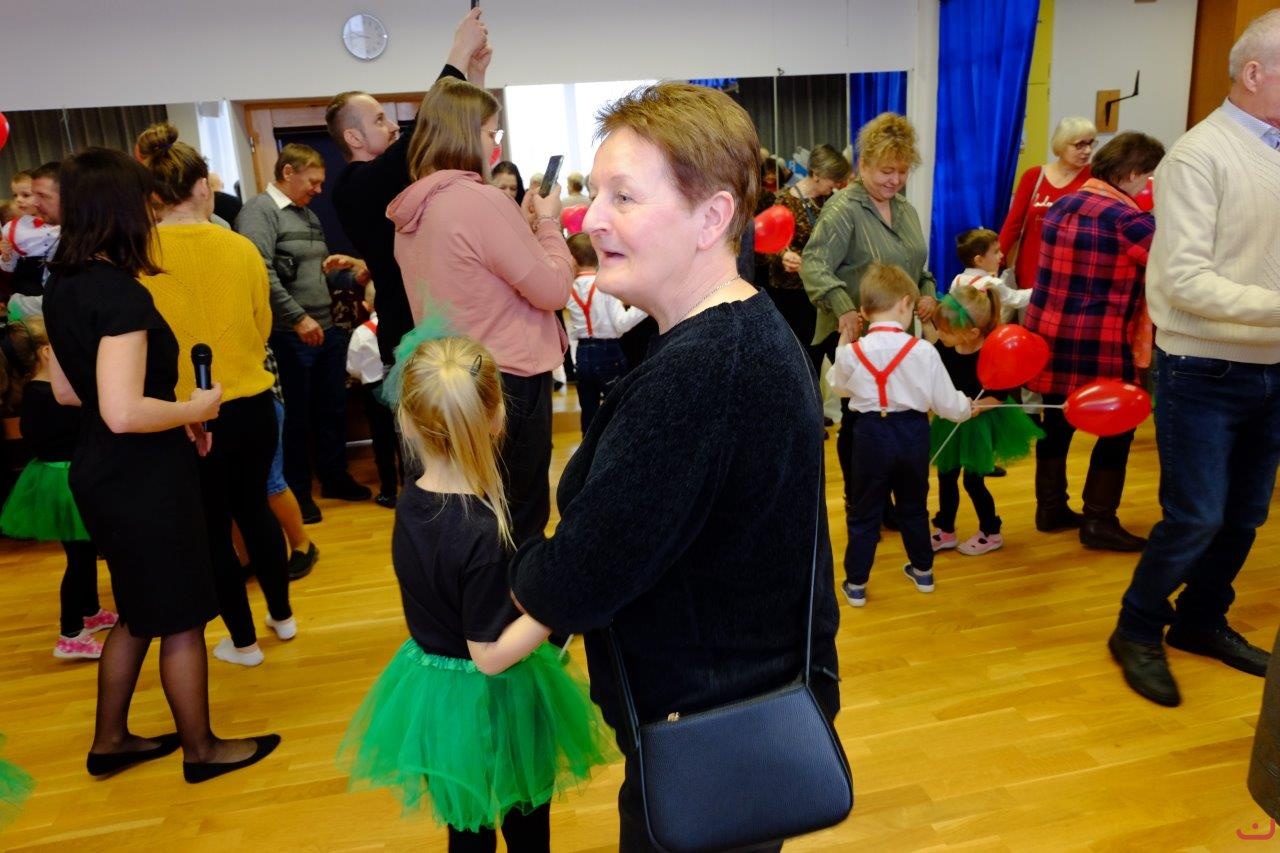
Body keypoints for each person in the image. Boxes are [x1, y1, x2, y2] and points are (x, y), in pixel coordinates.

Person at [506, 82, 840, 851]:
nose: (592, 218)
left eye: (623, 196)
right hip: (723, 713)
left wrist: (507, 577)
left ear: (712, 217)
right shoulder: (734, 331)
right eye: (596, 193)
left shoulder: (704, 370)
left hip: (714, 736)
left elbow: (581, 575)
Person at [43, 147, 278, 783]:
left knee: (140, 611)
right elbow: (123, 411)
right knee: (180, 617)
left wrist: (172, 416)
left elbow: (69, 392)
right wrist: (193, 408)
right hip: (142, 476)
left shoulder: (63, 282)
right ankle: (202, 751)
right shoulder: (120, 295)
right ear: (123, 208)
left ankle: (111, 741)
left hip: (103, 469)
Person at [336, 336, 613, 852]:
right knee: (525, 826)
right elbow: (488, 656)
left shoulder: (410, 504)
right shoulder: (483, 534)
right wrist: (555, 604)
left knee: (466, 829)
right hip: (495, 703)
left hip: (440, 700)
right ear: (497, 418)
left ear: (406, 422)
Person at [1105, 11, 1280, 715]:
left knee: (1245, 516)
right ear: (1254, 73)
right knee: (1197, 518)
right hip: (1204, 371)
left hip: (1272, 367)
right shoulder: (1198, 156)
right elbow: (1182, 282)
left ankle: (1202, 619)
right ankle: (1136, 627)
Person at [137, 122, 295, 668]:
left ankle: (243, 642)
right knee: (255, 508)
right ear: (202, 186)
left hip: (185, 414)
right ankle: (283, 616)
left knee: (212, 526)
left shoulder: (140, 254)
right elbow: (262, 324)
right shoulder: (241, 247)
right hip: (251, 401)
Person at [390, 76, 573, 546]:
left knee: (475, 509)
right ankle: (520, 594)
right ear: (467, 134)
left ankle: (481, 591)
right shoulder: (481, 201)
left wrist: (523, 228)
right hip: (506, 381)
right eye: (492, 132)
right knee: (520, 517)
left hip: (452, 378)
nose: (496, 144)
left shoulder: (413, 209)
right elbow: (554, 289)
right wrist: (548, 222)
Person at [1024, 131, 1164, 551]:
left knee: (1057, 422)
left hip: (1050, 334)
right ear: (1133, 172)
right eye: (1149, 175)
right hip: (1101, 339)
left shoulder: (1063, 205)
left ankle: (1050, 508)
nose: (1148, 184)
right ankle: (1099, 520)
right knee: (1119, 426)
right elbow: (1172, 267)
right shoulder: (1130, 221)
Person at [328, 8, 490, 366]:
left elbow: (456, 143)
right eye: (379, 120)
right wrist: (458, 52)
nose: (392, 127)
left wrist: (474, 77)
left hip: (439, 326)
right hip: (408, 335)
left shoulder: (396, 176)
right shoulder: (353, 186)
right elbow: (426, 128)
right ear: (353, 137)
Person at [802, 113, 938, 534]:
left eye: (902, 171)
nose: (895, 180)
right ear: (863, 165)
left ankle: (889, 502)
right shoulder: (844, 208)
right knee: (862, 422)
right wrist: (843, 307)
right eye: (886, 171)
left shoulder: (906, 210)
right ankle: (863, 504)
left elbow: (917, 268)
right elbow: (814, 264)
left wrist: (927, 292)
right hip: (857, 333)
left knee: (896, 419)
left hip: (900, 335)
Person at [827, 263, 980, 607]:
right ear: (906, 304)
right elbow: (946, 402)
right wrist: (965, 408)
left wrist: (844, 342)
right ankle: (923, 571)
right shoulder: (923, 350)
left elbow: (839, 387)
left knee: (864, 511)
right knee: (913, 506)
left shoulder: (853, 352)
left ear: (864, 310)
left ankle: (856, 584)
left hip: (869, 435)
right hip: (912, 434)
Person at [236, 143, 371, 523]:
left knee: (332, 410)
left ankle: (334, 477)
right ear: (288, 172)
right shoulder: (260, 212)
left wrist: (350, 275)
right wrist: (297, 318)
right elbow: (260, 271)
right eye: (313, 181)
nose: (318, 189)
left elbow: (317, 274)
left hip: (325, 330)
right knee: (295, 417)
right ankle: (297, 491)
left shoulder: (308, 216)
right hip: (289, 334)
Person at [0, 316, 117, 659]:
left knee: (83, 551)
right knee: (79, 558)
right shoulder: (47, 396)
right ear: (47, 352)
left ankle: (90, 611)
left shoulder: (37, 392)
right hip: (65, 482)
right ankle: (70, 634)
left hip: (59, 477)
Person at [926, 279, 1042, 556]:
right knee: (946, 475)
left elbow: (1000, 396)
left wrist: (976, 407)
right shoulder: (945, 347)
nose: (940, 335)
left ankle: (991, 532)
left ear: (972, 333)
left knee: (973, 481)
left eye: (945, 331)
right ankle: (946, 529)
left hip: (980, 423)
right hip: (952, 419)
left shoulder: (992, 354)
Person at [765, 144, 851, 361]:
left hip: (823, 289)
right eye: (834, 179)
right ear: (816, 174)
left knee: (836, 352)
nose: (836, 185)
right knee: (804, 357)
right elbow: (770, 245)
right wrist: (783, 255)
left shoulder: (829, 201)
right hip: (794, 294)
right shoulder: (784, 202)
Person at [997, 117, 1096, 290]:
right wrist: (995, 261)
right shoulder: (1034, 176)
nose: (1087, 151)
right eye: (1079, 145)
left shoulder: (1095, 177)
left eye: (1090, 143)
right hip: (1031, 267)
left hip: (1073, 270)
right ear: (1061, 144)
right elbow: (1013, 224)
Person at [564, 232, 647, 433]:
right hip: (609, 353)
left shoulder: (568, 289)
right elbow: (621, 324)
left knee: (589, 412)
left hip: (582, 355)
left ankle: (589, 449)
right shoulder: (605, 285)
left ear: (572, 260)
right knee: (617, 409)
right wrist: (644, 307)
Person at [346, 282, 400, 508]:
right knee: (404, 438)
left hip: (374, 391)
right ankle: (411, 484)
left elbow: (352, 368)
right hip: (399, 386)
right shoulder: (399, 325)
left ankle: (388, 492)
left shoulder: (361, 333)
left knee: (382, 441)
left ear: (366, 305)